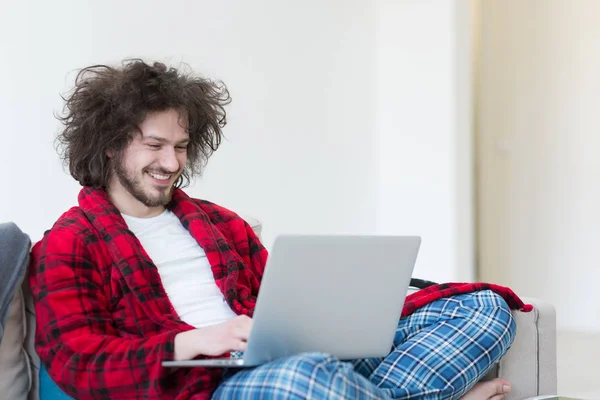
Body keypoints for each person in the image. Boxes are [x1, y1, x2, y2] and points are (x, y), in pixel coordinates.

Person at [30, 59, 518, 400]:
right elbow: (79, 363)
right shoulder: (70, 243)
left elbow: (281, 305)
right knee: (302, 378)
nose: (171, 162)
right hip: (211, 384)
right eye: (155, 145)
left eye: (180, 146)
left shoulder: (220, 223)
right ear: (111, 146)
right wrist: (196, 341)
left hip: (295, 360)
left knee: (484, 307)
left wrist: (337, 317)